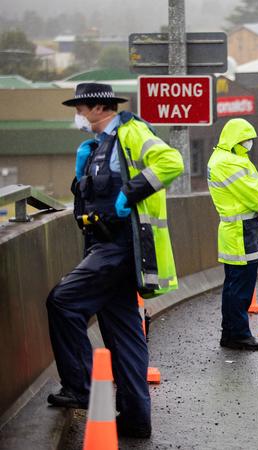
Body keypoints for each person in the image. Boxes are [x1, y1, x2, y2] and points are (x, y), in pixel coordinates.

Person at [46, 83, 184, 438]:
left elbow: (171, 161)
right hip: (104, 244)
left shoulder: (130, 131)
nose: (77, 115)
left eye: (79, 108)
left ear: (96, 107)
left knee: (62, 302)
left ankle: (84, 390)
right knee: (122, 333)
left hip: (121, 245)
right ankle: (137, 420)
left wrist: (131, 192)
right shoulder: (98, 145)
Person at [207, 119, 258, 351]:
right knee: (241, 287)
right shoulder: (229, 162)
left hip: (235, 230)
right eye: (247, 139)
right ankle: (239, 334)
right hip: (241, 232)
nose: (249, 143)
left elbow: (251, 188)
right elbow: (251, 195)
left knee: (233, 285)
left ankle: (230, 333)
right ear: (236, 139)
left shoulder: (224, 158)